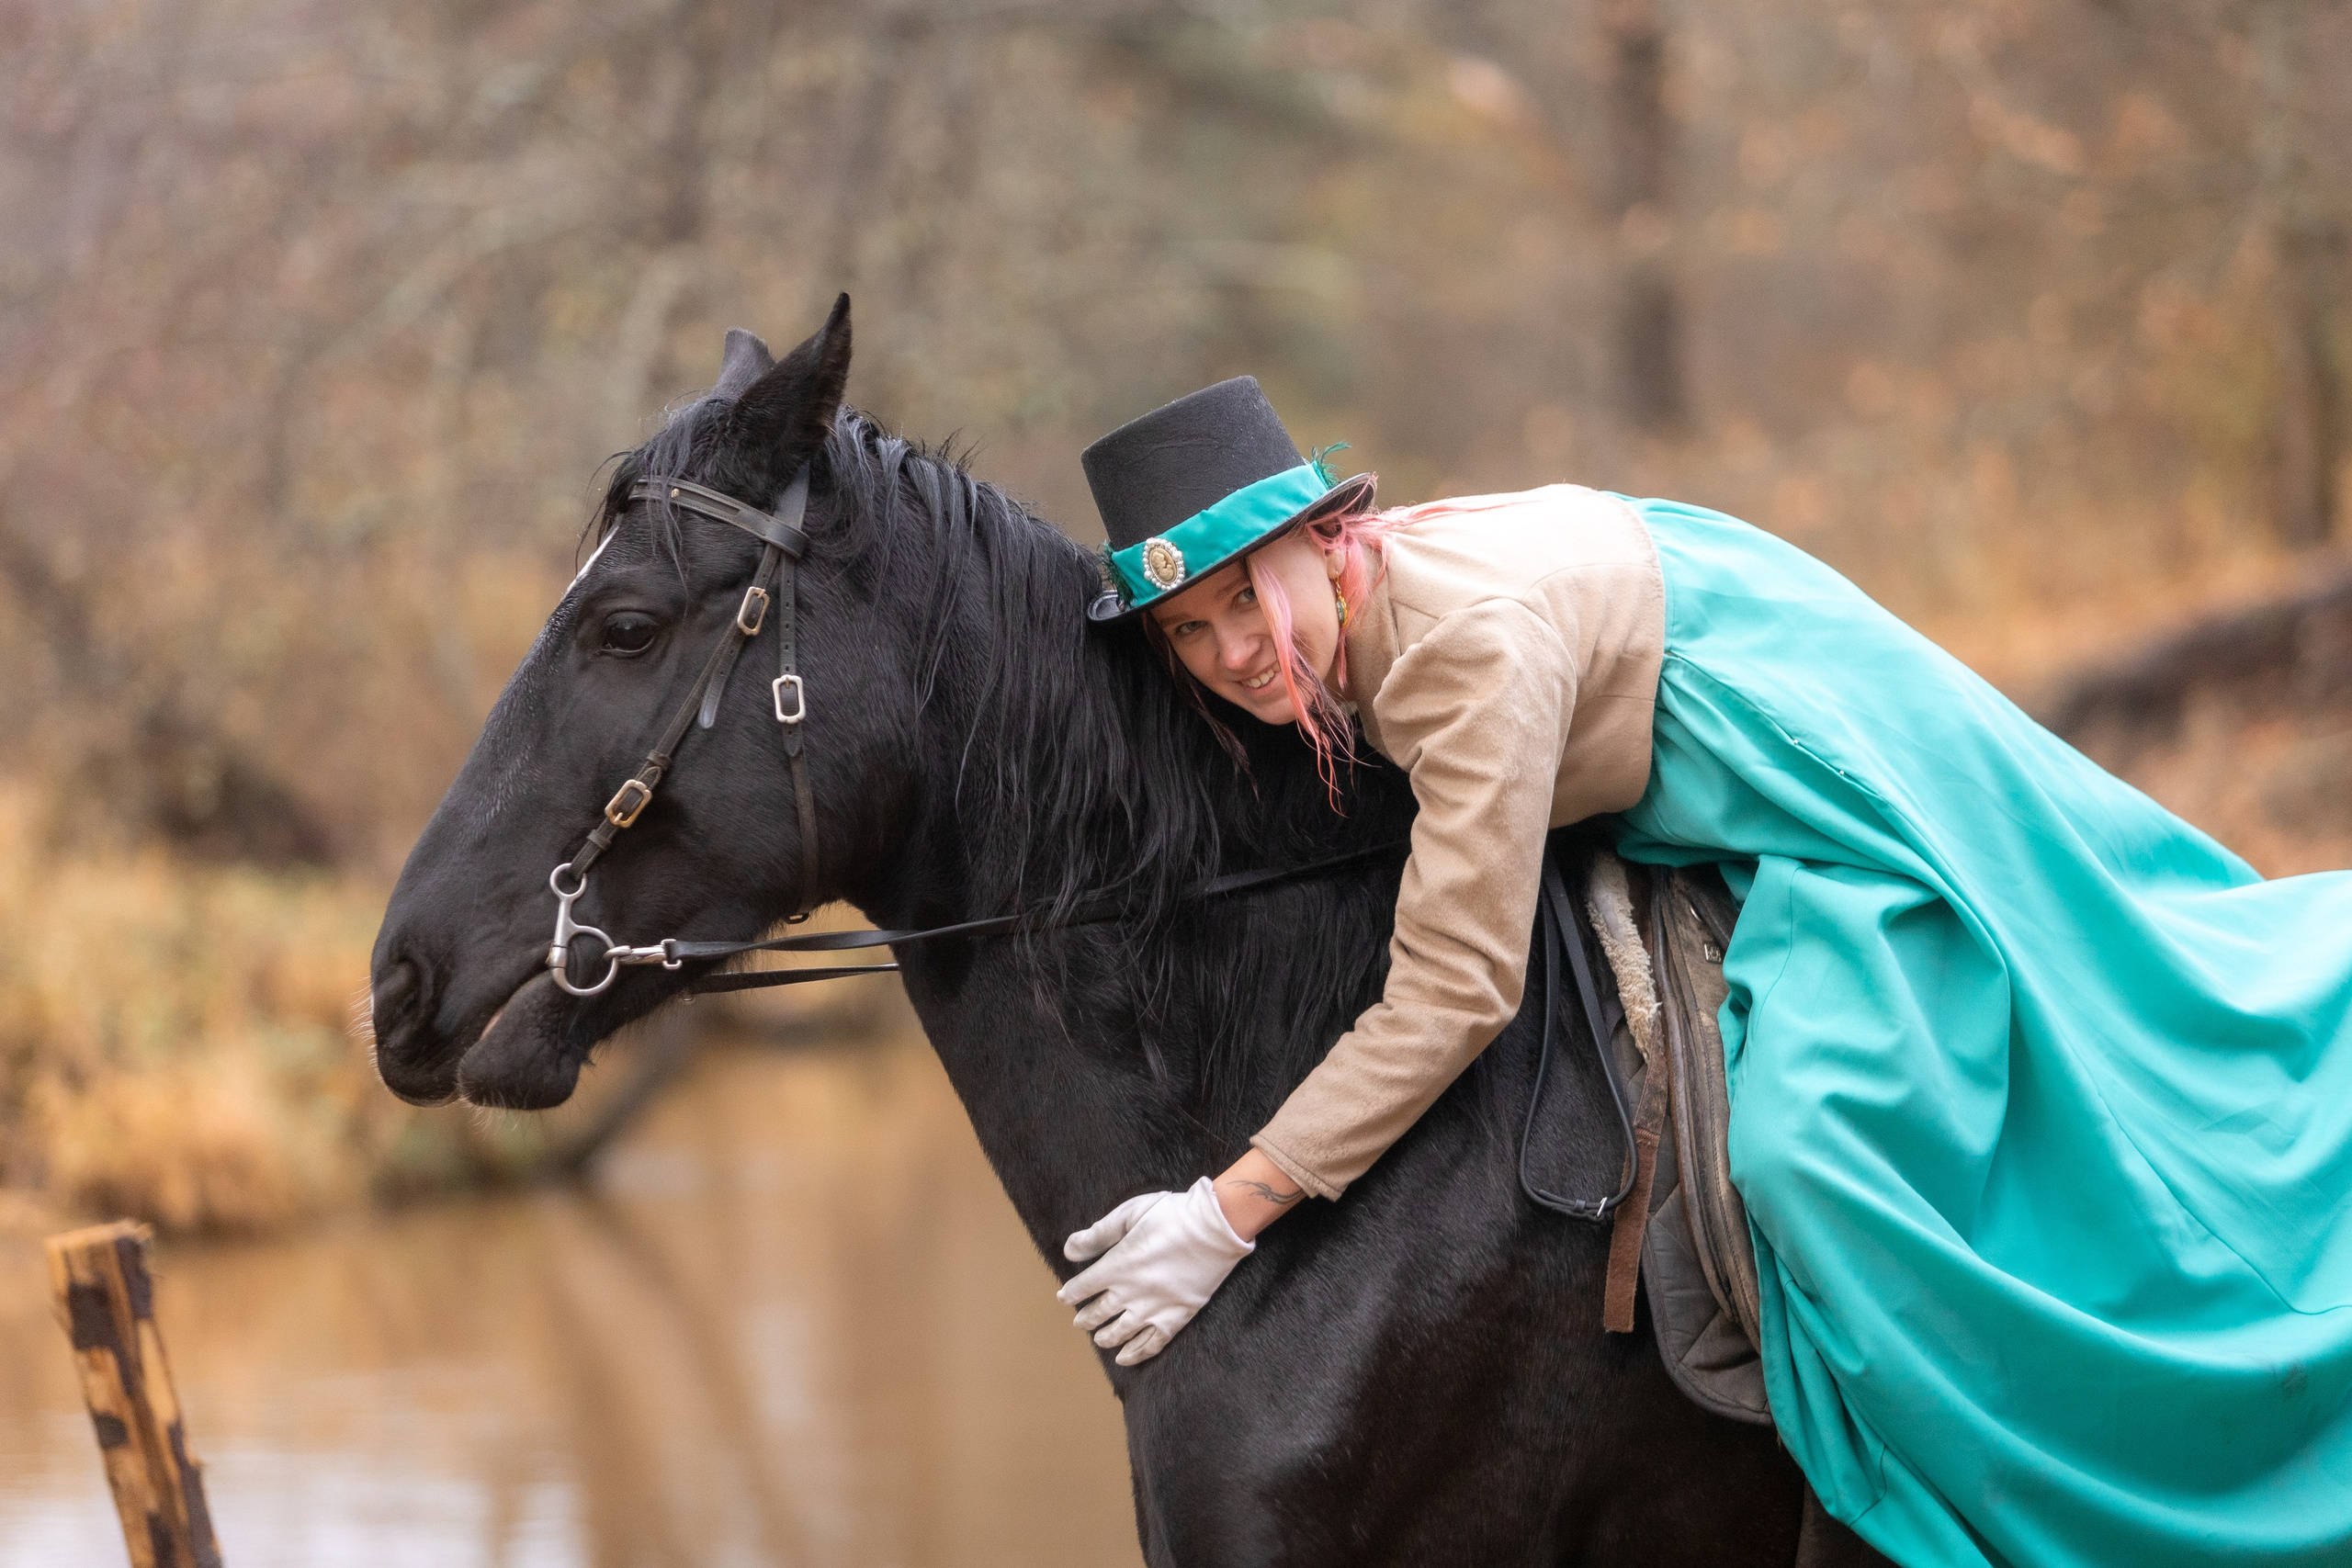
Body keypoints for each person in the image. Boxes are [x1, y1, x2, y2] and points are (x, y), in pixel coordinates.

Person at [1051, 376, 2352, 1568]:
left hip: (1793, 770)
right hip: (1714, 634)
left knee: (1810, 1148)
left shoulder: (1458, 649)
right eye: (1188, 630)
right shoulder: (1349, 613)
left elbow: (1457, 990)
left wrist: (1227, 1212)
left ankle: (2028, 1469)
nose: (1231, 654)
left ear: (1328, 542)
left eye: (1246, 597)